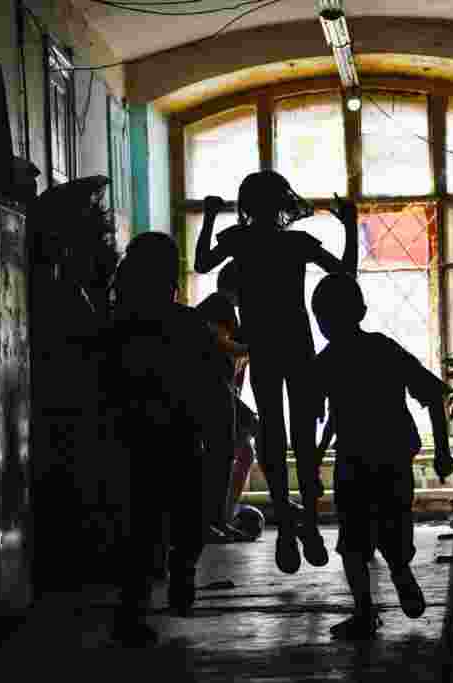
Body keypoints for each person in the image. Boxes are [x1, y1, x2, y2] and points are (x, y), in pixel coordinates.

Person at [194, 171, 358, 574]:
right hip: (296, 342)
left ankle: (286, 522)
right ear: (282, 202)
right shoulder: (296, 242)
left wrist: (211, 218)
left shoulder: (239, 240)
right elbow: (346, 273)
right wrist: (351, 228)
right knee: (301, 432)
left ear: (247, 204)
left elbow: (201, 264)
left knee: (272, 427)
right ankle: (312, 526)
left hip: (263, 343)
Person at [103, 231, 234, 645]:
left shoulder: (115, 326)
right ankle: (181, 574)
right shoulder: (188, 324)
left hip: (131, 440)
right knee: (184, 518)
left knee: (139, 529)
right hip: (178, 438)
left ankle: (135, 607)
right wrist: (220, 446)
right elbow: (216, 391)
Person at [309, 273, 453, 640]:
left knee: (353, 544)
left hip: (354, 463)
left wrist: (312, 465)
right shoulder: (384, 349)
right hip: (392, 457)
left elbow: (322, 418)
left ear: (321, 322)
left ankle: (363, 612)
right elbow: (434, 395)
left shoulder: (326, 362)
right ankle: (400, 569)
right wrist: (441, 450)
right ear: (360, 309)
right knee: (393, 526)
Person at [195, 260, 257, 543]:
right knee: (226, 455)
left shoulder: (227, 309)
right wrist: (249, 347)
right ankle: (214, 518)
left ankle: (219, 517)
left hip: (218, 391)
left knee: (237, 453)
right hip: (211, 390)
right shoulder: (220, 307)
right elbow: (216, 343)